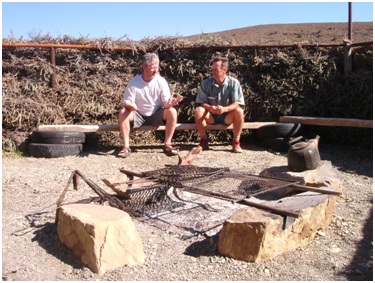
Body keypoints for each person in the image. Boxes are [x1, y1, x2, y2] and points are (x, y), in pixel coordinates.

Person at [118, 52, 183, 158]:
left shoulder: (161, 81)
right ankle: (126, 147)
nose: (155, 70)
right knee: (123, 112)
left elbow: (166, 103)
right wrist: (131, 106)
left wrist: (170, 103)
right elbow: (127, 102)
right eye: (152, 68)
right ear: (144, 67)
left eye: (157, 67)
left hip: (156, 114)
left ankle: (167, 144)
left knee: (172, 111)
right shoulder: (134, 81)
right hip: (137, 114)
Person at [194, 55, 245, 153]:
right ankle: (204, 141)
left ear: (224, 70)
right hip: (211, 116)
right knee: (198, 111)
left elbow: (238, 103)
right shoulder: (205, 83)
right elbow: (201, 102)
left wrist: (225, 109)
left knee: (239, 111)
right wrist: (210, 108)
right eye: (212, 69)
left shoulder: (234, 83)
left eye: (215, 70)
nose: (212, 72)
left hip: (227, 116)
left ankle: (236, 142)